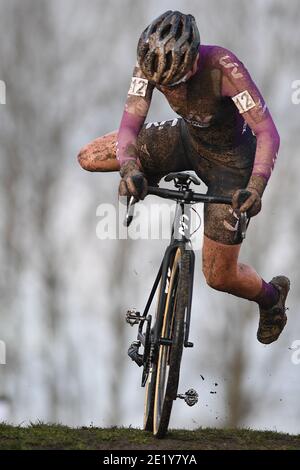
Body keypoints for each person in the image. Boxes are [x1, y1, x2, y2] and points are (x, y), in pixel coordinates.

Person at [78, 10, 290, 344]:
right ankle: (149, 171)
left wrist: (255, 187)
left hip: (232, 165)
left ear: (193, 61)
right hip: (185, 140)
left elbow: (268, 133)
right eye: (163, 85)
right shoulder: (149, 63)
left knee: (219, 276)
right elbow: (129, 125)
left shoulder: (222, 66)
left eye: (177, 81)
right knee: (89, 156)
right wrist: (131, 168)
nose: (171, 90)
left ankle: (271, 297)